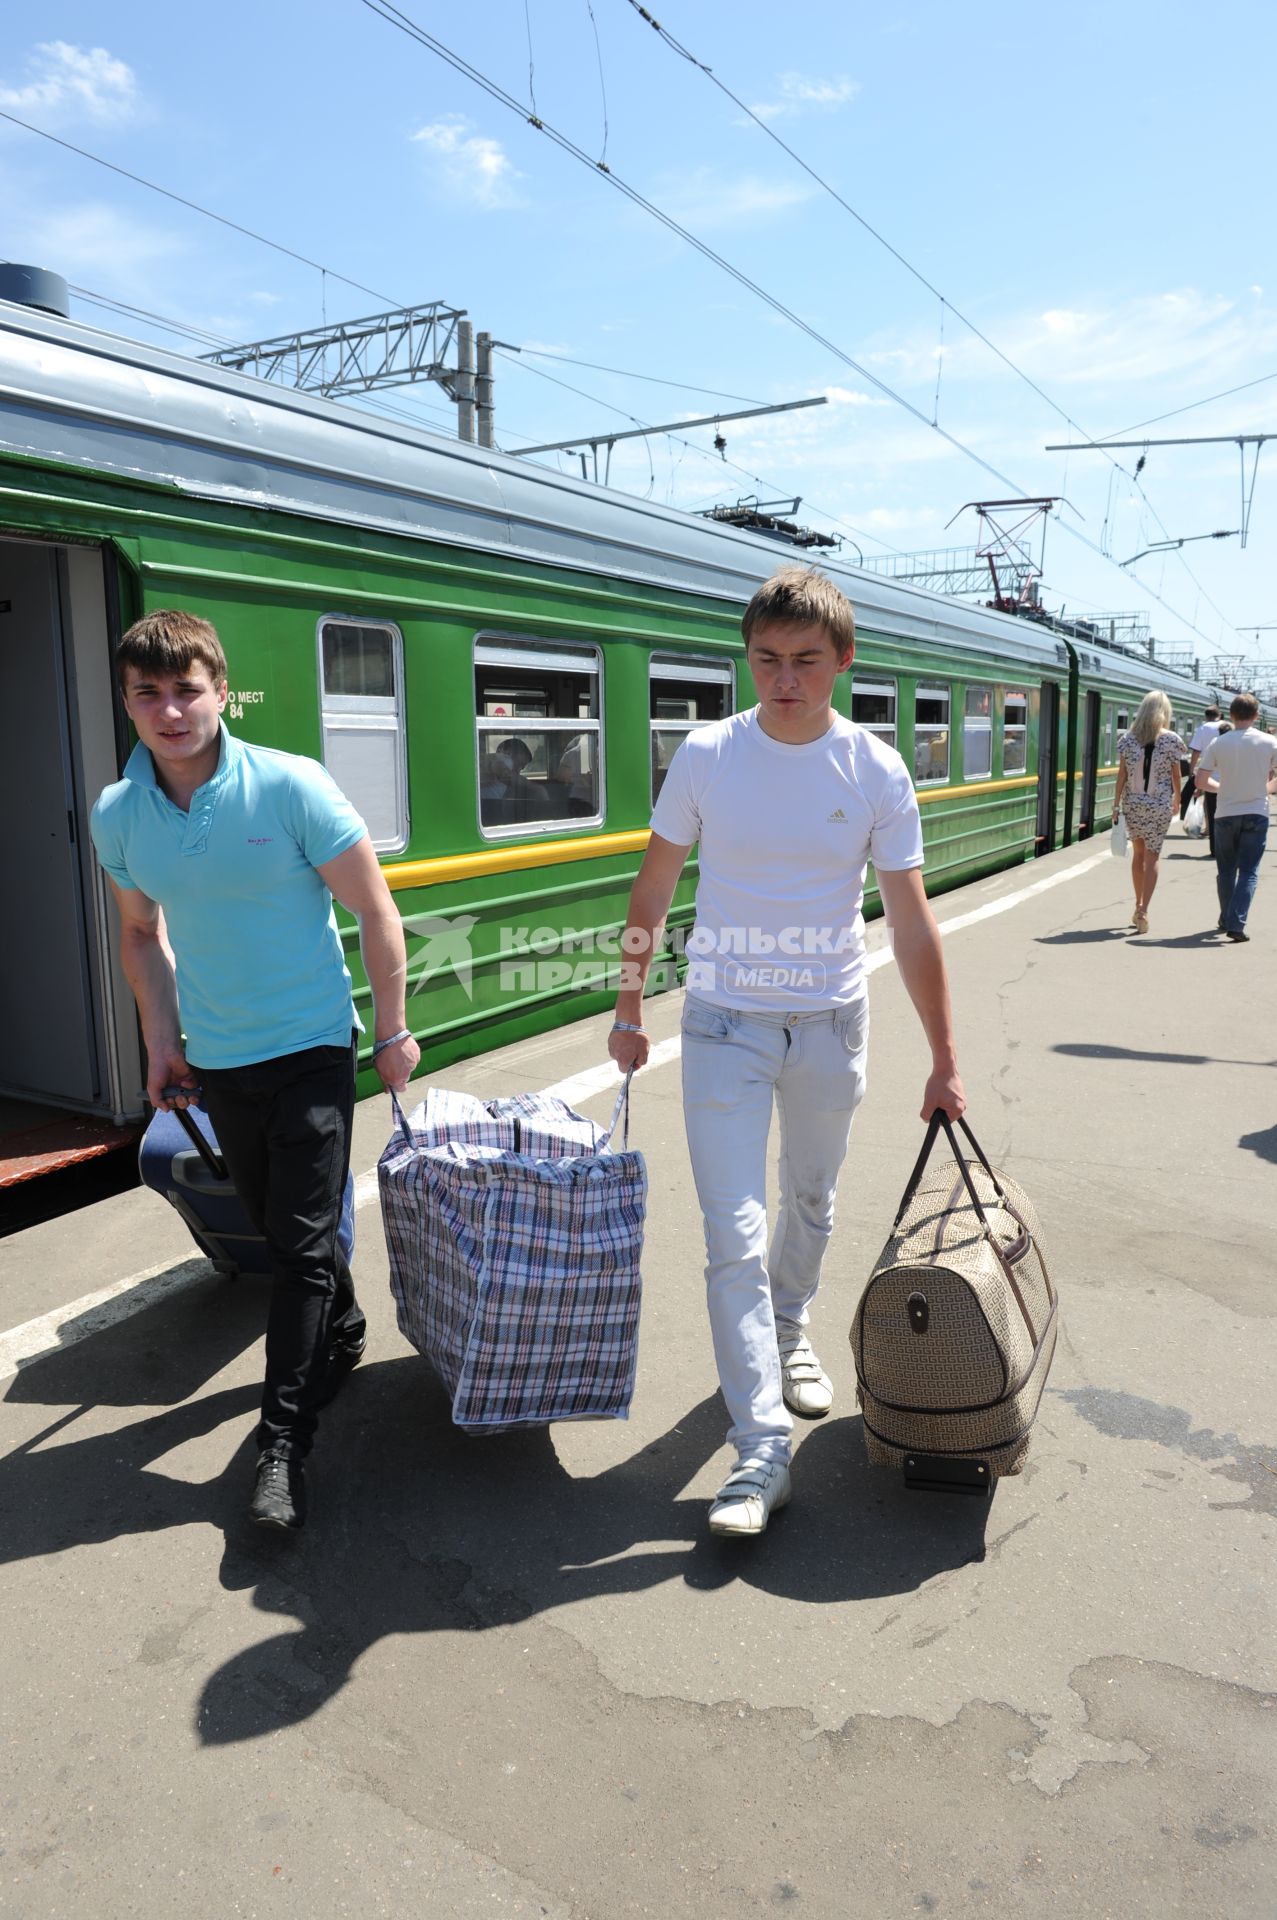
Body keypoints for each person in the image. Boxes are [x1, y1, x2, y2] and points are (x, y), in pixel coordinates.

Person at [607, 567, 964, 1539]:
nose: (784, 680)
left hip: (828, 1026)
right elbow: (651, 891)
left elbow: (911, 921)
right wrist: (629, 1002)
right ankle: (758, 1451)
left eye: (806, 661)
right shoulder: (707, 755)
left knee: (809, 1202)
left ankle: (792, 1322)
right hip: (720, 1023)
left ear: (841, 662)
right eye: (766, 660)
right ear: (748, 660)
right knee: (731, 1234)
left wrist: (943, 1055)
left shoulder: (873, 770)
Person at [91, 610, 421, 1531]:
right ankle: (344, 1334)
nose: (169, 709)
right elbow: (139, 931)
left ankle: (282, 1445)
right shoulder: (119, 813)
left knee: (303, 1252)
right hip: (220, 1057)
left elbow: (377, 913)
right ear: (126, 702)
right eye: (147, 693)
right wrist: (162, 1043)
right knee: (284, 1235)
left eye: (185, 689)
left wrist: (390, 1030)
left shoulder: (289, 786)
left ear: (220, 691)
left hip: (313, 1045)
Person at [1194, 691, 1277, 942]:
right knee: (1249, 871)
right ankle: (1236, 923)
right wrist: (1267, 789)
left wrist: (1222, 788)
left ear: (1230, 715)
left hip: (1226, 813)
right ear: (1256, 715)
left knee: (1226, 870)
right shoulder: (1269, 742)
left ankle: (1225, 917)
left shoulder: (1219, 743)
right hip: (1256, 812)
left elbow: (1201, 780)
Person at [1112, 692, 1185, 935]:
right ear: (1165, 712)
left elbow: (1122, 775)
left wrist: (1115, 804)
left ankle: (1136, 904)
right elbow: (1176, 775)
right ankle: (1143, 911)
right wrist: (1178, 799)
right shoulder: (1172, 740)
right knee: (1153, 857)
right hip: (1159, 805)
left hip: (1133, 804)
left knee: (1138, 855)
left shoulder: (1127, 739)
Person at [1188, 705, 1224, 844]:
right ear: (1219, 715)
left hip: (1209, 773)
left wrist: (1192, 769)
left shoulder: (1203, 728)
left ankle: (1209, 828)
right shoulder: (1227, 726)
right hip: (1227, 772)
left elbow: (1196, 751)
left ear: (1206, 716)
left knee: (1209, 803)